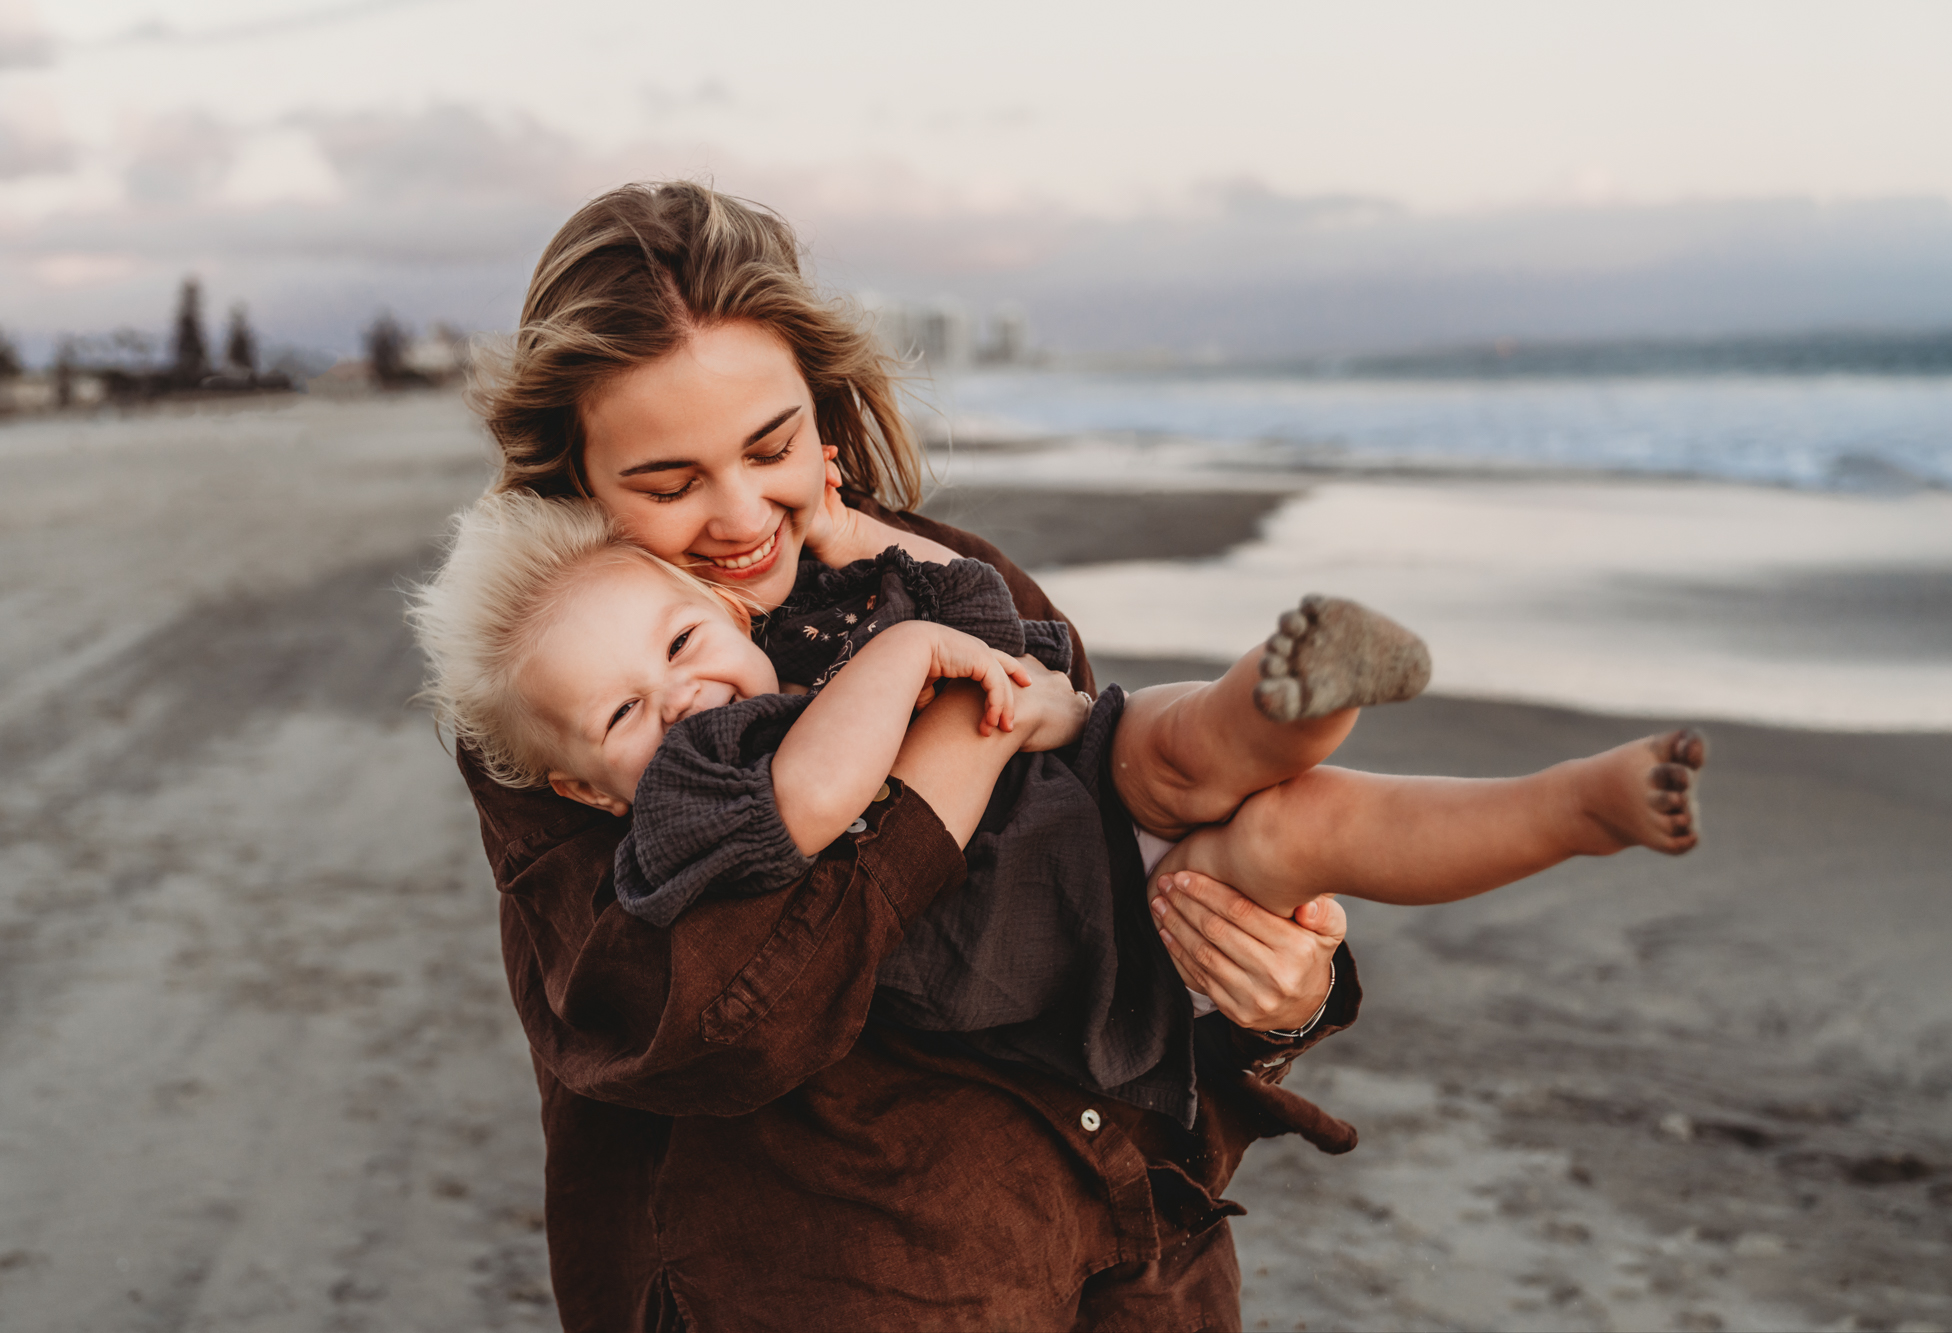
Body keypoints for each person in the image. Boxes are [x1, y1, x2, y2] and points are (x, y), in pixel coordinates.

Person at [458, 179, 1359, 1331]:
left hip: (1136, 1262)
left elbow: (1108, 890)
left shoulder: (944, 573)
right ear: (574, 479)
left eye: (768, 444)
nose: (739, 513)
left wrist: (1278, 999)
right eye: (668, 482)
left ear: (821, 414)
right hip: (843, 1283)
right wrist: (951, 744)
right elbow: (711, 1025)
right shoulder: (569, 711)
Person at [415, 488, 1706, 1107]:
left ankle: (1330, 695)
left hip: (1072, 789)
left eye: (684, 646)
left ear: (718, 610)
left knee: (1196, 744)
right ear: (584, 780)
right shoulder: (682, 796)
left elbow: (997, 621)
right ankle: (1571, 810)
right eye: (626, 710)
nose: (679, 697)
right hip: (1052, 933)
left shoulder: (807, 645)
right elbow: (808, 799)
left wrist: (883, 556)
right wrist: (909, 659)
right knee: (1292, 834)